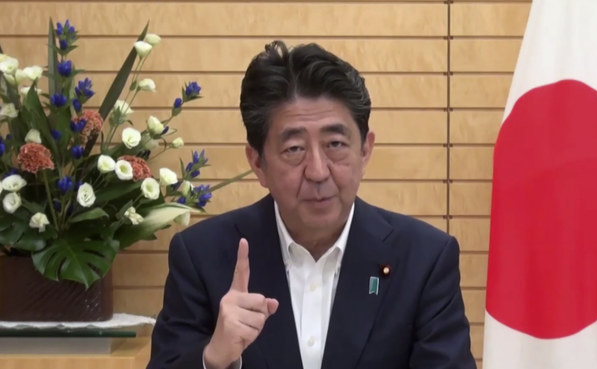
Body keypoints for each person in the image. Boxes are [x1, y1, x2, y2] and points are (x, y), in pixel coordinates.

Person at [147, 40, 476, 369]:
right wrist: (212, 358)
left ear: (365, 151)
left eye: (335, 144)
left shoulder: (424, 259)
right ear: (258, 163)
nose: (318, 171)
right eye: (294, 149)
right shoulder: (203, 255)